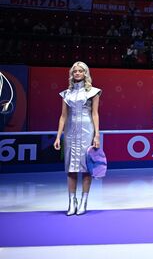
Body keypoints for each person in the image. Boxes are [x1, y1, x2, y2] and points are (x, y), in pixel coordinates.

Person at [53, 62, 101, 216]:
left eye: (81, 71)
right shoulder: (66, 93)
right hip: (70, 133)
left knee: (87, 168)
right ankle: (71, 202)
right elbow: (63, 116)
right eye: (75, 71)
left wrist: (97, 135)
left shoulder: (93, 92)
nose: (78, 73)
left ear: (85, 73)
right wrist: (58, 136)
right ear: (72, 74)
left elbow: (95, 114)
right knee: (71, 169)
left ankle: (83, 202)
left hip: (87, 131)